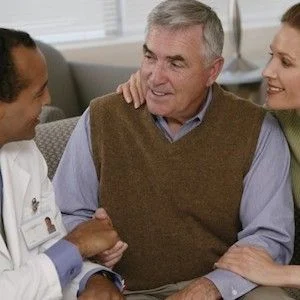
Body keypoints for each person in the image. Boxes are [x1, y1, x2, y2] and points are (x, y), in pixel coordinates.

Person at [53, 0, 295, 299]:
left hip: (223, 287)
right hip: (124, 289)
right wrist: (94, 262)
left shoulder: (259, 128)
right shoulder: (102, 117)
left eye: (176, 63)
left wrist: (211, 287)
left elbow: (268, 235)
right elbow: (64, 213)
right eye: (150, 57)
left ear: (212, 71)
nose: (155, 76)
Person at [0, 28, 126, 299]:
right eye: (38, 92)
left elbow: (49, 248)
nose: (49, 100)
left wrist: (91, 280)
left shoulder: (25, 152)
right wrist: (77, 244)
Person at [212, 2, 300, 292]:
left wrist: (281, 274)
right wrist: (152, 83)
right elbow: (219, 115)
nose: (267, 71)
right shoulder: (280, 120)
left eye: (286, 63)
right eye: (271, 56)